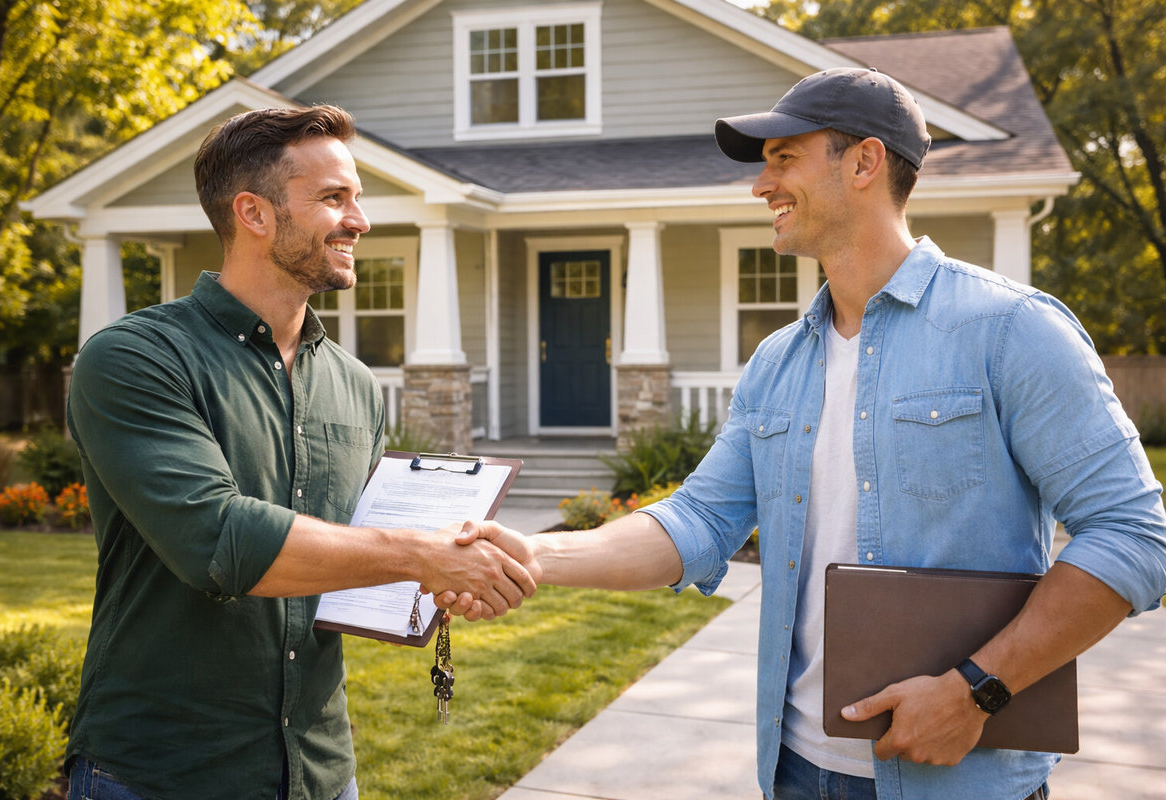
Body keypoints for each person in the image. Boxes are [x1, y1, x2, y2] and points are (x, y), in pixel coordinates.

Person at [446, 68, 1166, 800]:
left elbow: (1134, 534)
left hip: (958, 781)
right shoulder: (778, 363)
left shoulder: (1013, 331)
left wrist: (975, 692)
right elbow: (698, 519)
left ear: (863, 162)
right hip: (794, 772)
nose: (762, 185)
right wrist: (533, 553)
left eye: (784, 158)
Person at [64, 105, 536, 800]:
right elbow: (218, 542)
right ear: (254, 214)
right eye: (333, 199)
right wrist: (418, 554)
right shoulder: (135, 358)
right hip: (161, 771)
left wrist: (443, 580)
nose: (360, 221)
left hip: (318, 769)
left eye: (358, 199)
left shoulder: (355, 385)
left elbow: (353, 556)